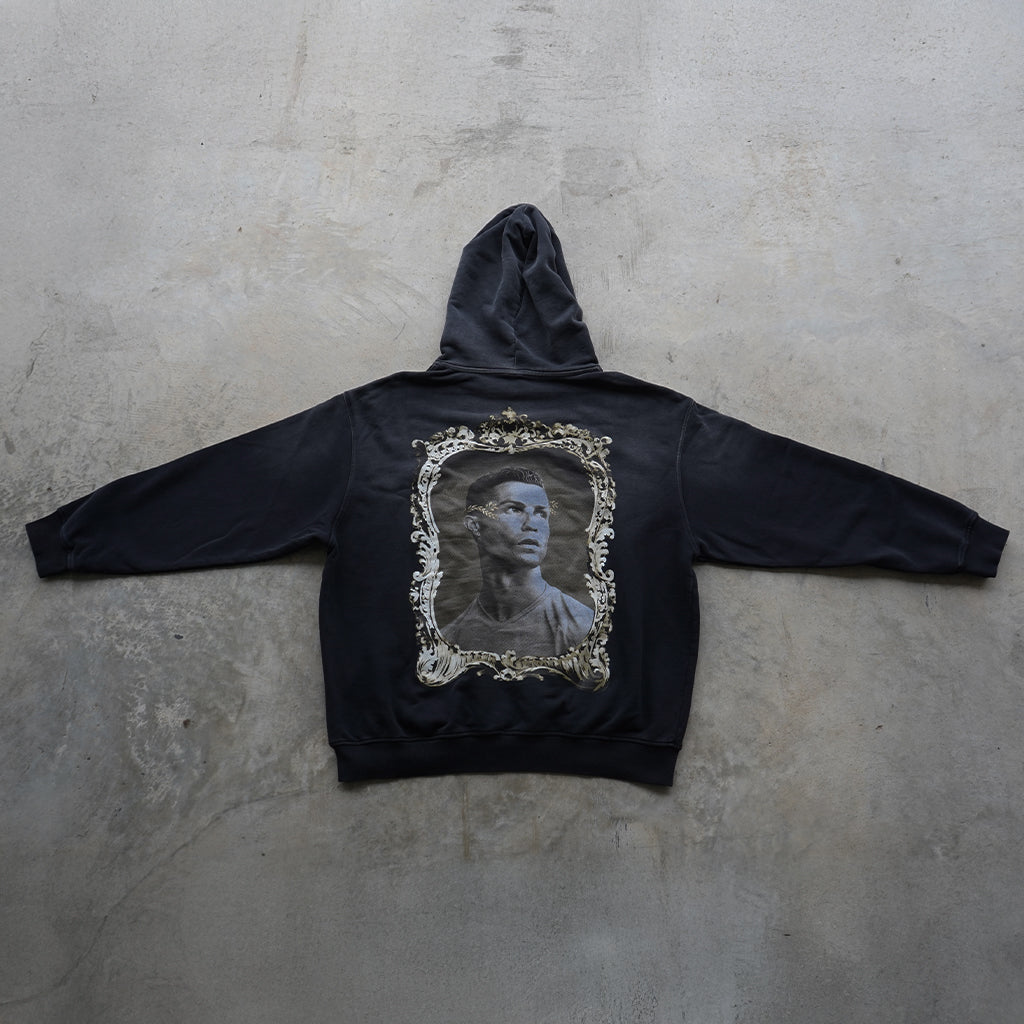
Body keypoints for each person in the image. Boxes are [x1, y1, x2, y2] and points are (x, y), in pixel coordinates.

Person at [442, 466, 595, 656]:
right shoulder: (448, 640)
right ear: (475, 525)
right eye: (514, 509)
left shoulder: (583, 627)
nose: (532, 524)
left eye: (541, 513)